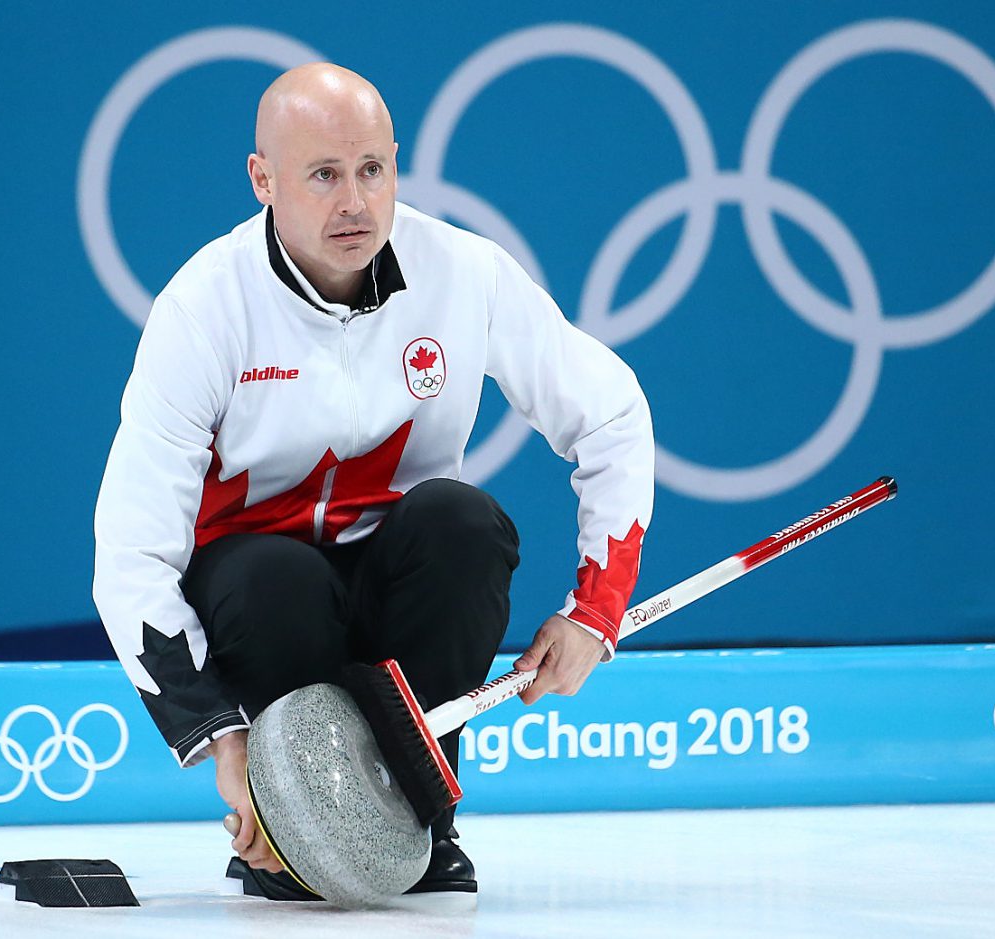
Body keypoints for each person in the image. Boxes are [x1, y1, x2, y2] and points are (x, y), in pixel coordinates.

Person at [92, 63, 654, 899]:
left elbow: (611, 415)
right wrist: (224, 738)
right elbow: (131, 552)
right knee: (266, 572)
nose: (355, 202)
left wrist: (595, 614)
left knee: (462, 524)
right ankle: (288, 832)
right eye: (323, 175)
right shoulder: (202, 309)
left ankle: (426, 824)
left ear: (395, 162)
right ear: (263, 181)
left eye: (372, 170)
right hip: (267, 600)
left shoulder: (464, 272)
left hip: (398, 588)